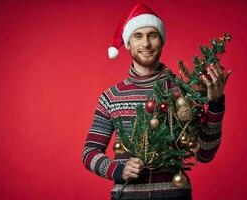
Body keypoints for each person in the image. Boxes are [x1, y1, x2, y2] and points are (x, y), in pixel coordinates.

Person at [82, 2, 232, 200]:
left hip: (174, 195)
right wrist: (118, 170)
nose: (145, 43)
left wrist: (216, 103)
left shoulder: (183, 93)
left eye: (152, 35)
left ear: (161, 41)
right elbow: (89, 152)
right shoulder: (111, 96)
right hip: (127, 196)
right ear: (128, 43)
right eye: (138, 36)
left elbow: (205, 153)